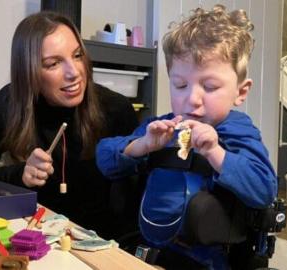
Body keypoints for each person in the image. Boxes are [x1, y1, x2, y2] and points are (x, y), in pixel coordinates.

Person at [96, 5, 277, 270]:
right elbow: (104, 156)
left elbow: (263, 189)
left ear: (241, 91)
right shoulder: (161, 127)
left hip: (210, 260)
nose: (192, 99)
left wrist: (216, 153)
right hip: (154, 251)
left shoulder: (238, 132)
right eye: (180, 85)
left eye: (210, 87)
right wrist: (142, 145)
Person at [0, 11, 139, 240]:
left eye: (77, 55)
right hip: (35, 239)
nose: (74, 72)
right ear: (29, 73)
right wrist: (20, 174)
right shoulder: (10, 102)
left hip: (100, 245)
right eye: (53, 64)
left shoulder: (115, 109)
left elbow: (134, 206)